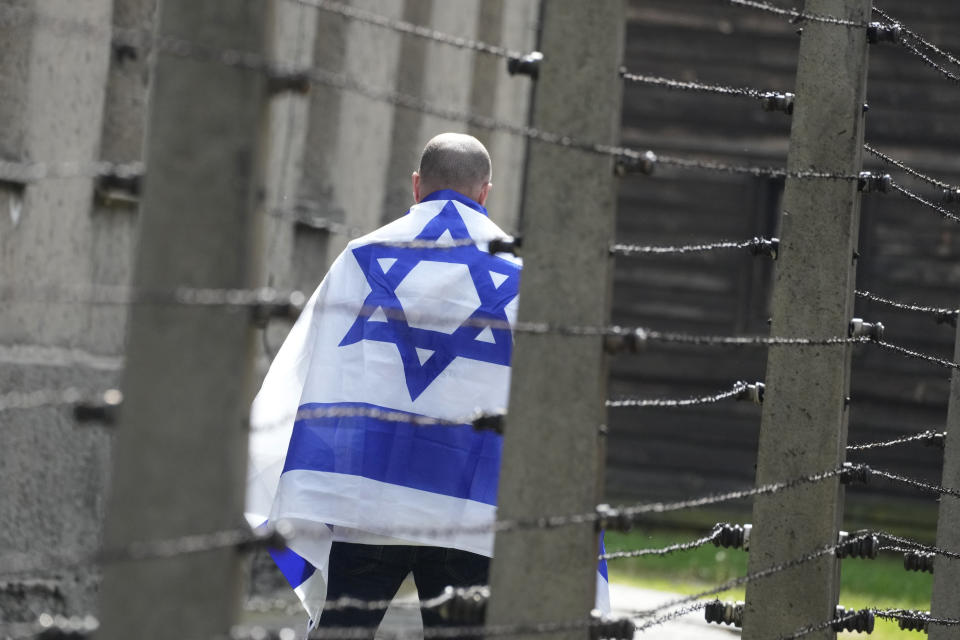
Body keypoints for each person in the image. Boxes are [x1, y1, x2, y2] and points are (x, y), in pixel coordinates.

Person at [245, 133, 522, 636]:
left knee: (343, 631)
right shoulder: (521, 277)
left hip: (365, 494)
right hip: (470, 505)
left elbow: (315, 370)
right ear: (485, 193)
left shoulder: (361, 258)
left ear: (417, 185)